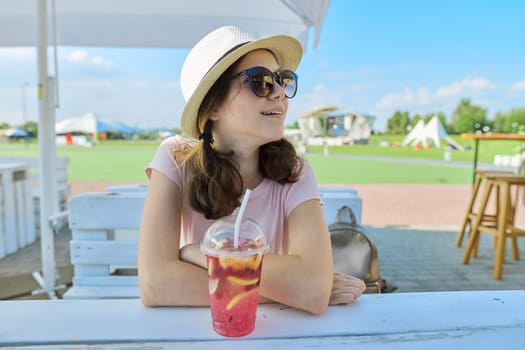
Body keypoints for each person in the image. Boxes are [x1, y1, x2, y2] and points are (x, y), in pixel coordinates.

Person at [138, 26, 365, 315]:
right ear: (213, 107)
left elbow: (313, 287)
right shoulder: (175, 159)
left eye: (283, 80)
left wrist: (205, 254)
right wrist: (288, 291)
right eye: (261, 82)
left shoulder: (296, 172)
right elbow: (157, 285)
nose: (280, 93)